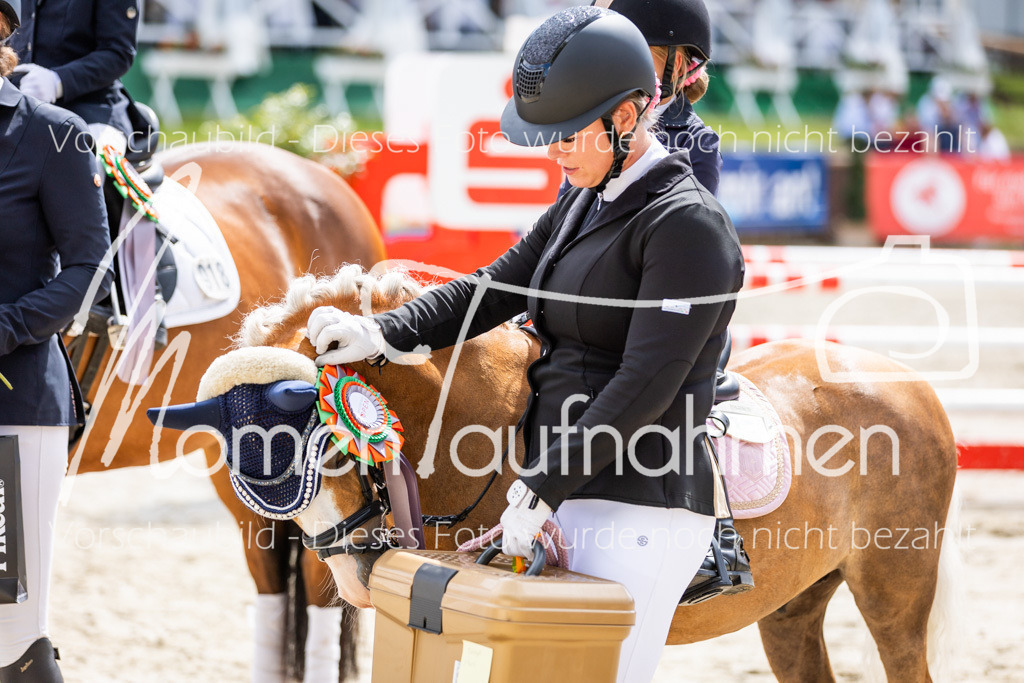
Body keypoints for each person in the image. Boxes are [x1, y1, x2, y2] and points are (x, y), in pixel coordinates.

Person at [306, 7, 744, 681]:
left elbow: (649, 379)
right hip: (559, 489)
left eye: (568, 133)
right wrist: (385, 333)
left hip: (641, 501)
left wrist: (541, 484)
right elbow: (496, 285)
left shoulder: (688, 224)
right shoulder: (582, 198)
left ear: (626, 118)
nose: (553, 150)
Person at [598, 0, 751, 604]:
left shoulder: (695, 141)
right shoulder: (598, 124)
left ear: (680, 64)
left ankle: (715, 534)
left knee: (680, 387)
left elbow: (682, 243)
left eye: (643, 50)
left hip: (668, 300)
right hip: (599, 291)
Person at [0, 3, 113, 680]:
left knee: (12, 624)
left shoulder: (53, 135)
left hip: (15, 406)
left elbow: (87, 264)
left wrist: (7, 325)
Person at [597, 0, 723, 196]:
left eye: (634, 55)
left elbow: (690, 220)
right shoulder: (592, 123)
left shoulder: (698, 146)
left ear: (676, 64)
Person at [8, 0, 140, 152]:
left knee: (90, 167)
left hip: (91, 111)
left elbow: (118, 53)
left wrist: (57, 81)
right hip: (19, 109)